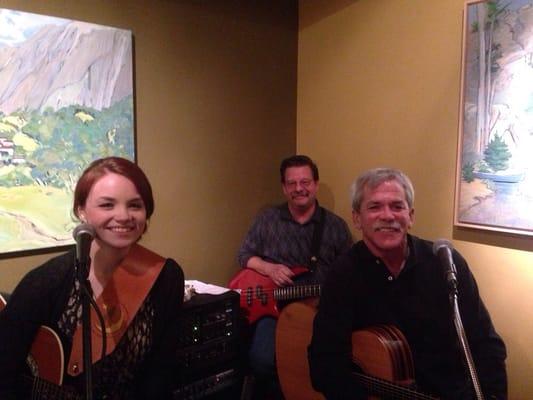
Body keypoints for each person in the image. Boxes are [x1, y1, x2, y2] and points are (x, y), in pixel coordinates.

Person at [308, 167, 507, 400]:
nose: (388, 215)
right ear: (356, 218)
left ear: (410, 216)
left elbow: (486, 345)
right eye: (374, 207)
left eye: (397, 206)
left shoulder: (445, 264)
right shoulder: (343, 273)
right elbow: (324, 364)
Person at [0, 156, 185, 399]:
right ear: (81, 211)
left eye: (135, 205)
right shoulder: (44, 283)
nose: (123, 215)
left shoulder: (166, 278)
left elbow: (161, 374)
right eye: (107, 205)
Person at [237, 155, 353, 399]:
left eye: (305, 182)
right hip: (273, 307)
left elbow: (350, 272)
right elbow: (245, 255)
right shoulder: (267, 220)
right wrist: (269, 269)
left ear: (316, 184)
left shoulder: (335, 227)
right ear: (284, 187)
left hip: (318, 309)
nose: (299, 189)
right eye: (292, 183)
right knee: (262, 361)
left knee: (315, 362)